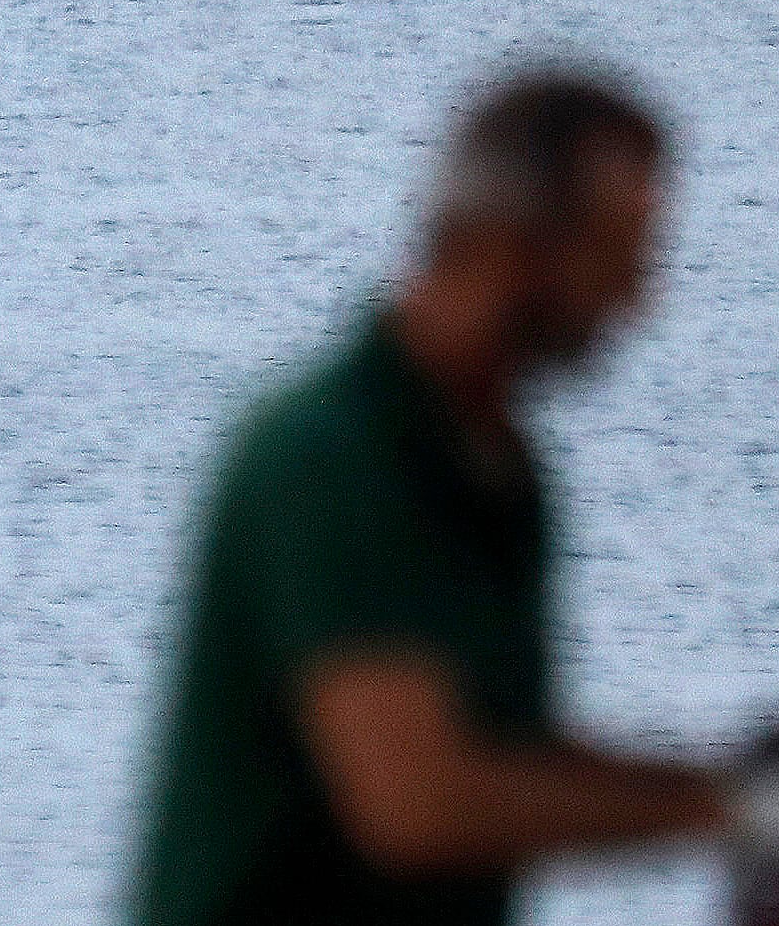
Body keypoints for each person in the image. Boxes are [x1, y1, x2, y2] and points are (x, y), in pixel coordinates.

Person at [129, 67, 732, 926]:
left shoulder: (499, 468)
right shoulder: (327, 460)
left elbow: (507, 761)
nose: (638, 300)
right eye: (617, 258)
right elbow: (420, 809)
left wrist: (760, 784)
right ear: (514, 247)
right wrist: (748, 815)